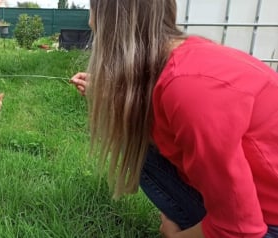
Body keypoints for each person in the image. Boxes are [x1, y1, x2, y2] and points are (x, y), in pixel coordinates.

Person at [69, 0, 278, 237]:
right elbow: (164, 128)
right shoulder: (190, 58)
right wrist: (112, 96)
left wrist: (176, 235)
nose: (90, 23)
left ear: (113, 29)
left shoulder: (190, 86)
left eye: (95, 25)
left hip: (267, 221)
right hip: (258, 199)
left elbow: (242, 230)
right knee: (141, 147)